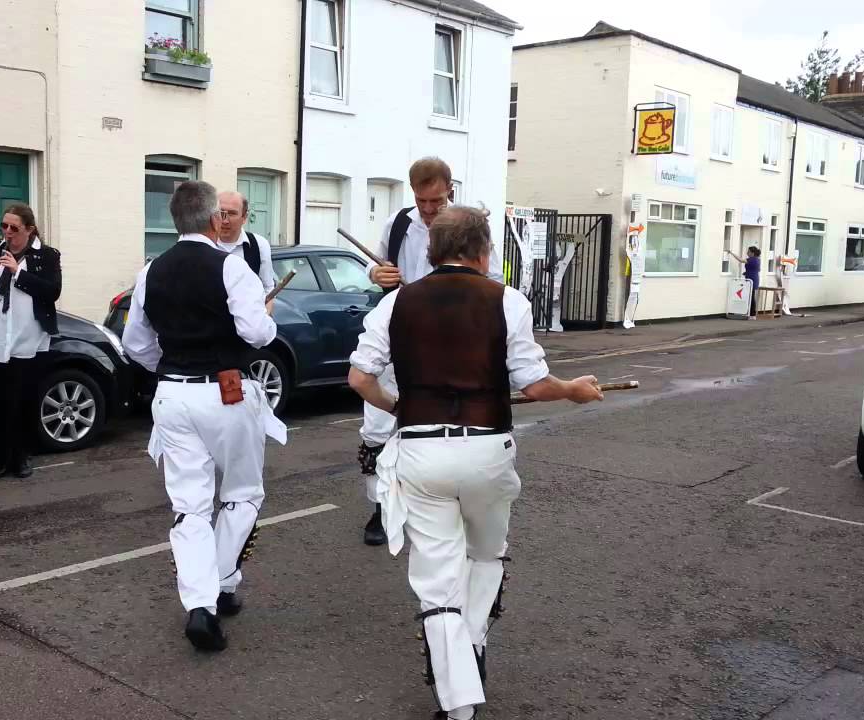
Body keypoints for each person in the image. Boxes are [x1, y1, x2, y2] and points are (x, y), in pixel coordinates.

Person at [347, 206, 603, 720]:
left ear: (431, 252)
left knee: (437, 584)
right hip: (487, 450)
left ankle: (459, 706)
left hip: (421, 452)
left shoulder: (396, 304)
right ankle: (474, 645)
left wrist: (401, 407)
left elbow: (359, 379)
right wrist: (572, 390)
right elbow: (531, 383)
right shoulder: (507, 300)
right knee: (485, 557)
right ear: (483, 253)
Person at [122, 180, 285, 653]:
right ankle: (216, 586)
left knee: (190, 505)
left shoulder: (150, 272)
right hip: (226, 391)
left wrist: (170, 370)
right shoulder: (231, 268)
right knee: (241, 494)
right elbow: (257, 334)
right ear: (216, 220)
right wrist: (267, 314)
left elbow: (136, 343)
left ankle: (204, 604)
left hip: (171, 395)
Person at [357, 157, 504, 546]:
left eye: (435, 201)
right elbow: (376, 268)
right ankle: (380, 508)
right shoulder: (399, 224)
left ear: (450, 190)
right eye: (421, 200)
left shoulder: (468, 225)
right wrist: (378, 274)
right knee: (375, 428)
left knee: (437, 423)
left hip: (451, 339)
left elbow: (492, 278)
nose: (427, 209)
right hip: (401, 327)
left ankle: (443, 503)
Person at [0, 203, 62, 480]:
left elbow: (52, 291)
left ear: (29, 229)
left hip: (24, 338)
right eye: (3, 226)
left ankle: (20, 457)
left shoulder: (46, 255)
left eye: (14, 228)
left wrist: (18, 272)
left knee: (20, 400)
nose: (7, 232)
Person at [217, 190, 277, 295]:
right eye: (220, 213)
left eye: (232, 214)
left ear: (244, 217)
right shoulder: (203, 244)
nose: (225, 220)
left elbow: (268, 288)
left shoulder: (259, 245)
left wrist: (266, 310)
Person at [728, 246, 762, 317]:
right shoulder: (757, 259)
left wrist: (732, 253)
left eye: (748, 251)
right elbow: (756, 269)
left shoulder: (752, 259)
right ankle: (749, 312)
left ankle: (752, 314)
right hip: (753, 278)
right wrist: (746, 273)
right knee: (750, 296)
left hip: (752, 279)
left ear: (752, 253)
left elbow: (741, 260)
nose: (747, 253)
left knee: (751, 297)